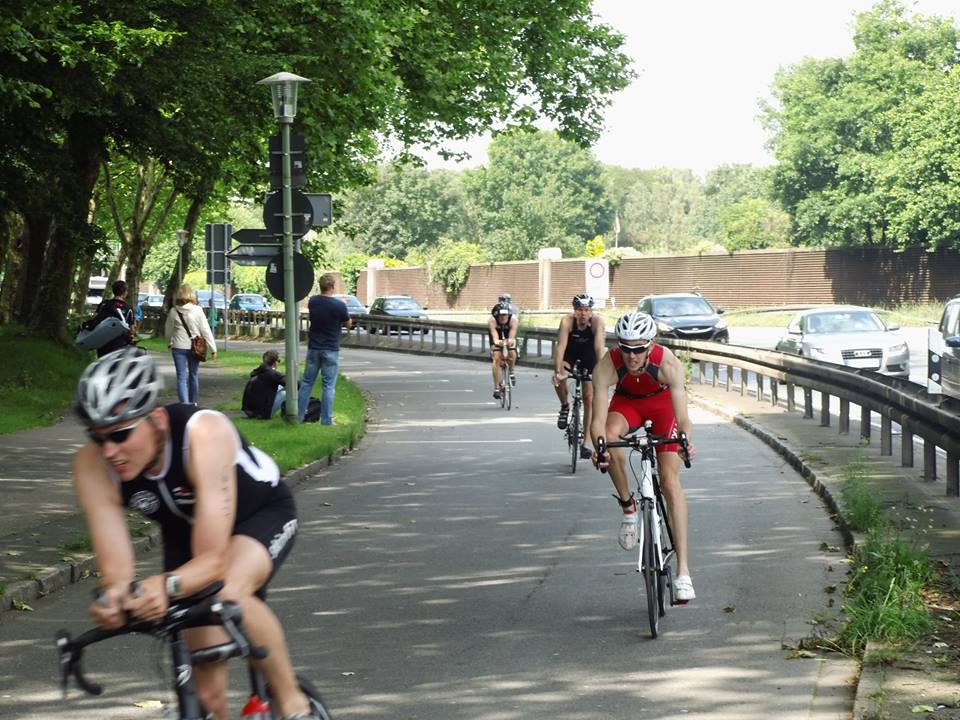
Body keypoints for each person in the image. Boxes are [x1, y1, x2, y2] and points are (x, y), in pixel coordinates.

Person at [71, 348, 319, 719]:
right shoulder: (91, 466)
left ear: (156, 419)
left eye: (121, 434)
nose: (109, 451)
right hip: (186, 538)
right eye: (97, 437)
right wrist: (114, 601)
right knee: (208, 697)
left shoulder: (202, 432)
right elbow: (116, 572)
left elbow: (213, 563)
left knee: (226, 593)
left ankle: (292, 702)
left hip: (260, 515)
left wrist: (166, 586)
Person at [590, 310, 697, 603]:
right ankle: (629, 507)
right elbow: (597, 421)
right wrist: (600, 447)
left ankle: (683, 572)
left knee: (670, 482)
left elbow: (684, 419)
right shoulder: (607, 365)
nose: (632, 356)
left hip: (662, 408)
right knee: (609, 438)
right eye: (626, 349)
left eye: (638, 349)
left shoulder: (668, 364)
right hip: (627, 404)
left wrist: (685, 441)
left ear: (651, 345)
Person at [552, 293, 606, 459]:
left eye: (586, 310)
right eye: (580, 310)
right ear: (574, 311)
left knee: (588, 397)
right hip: (571, 352)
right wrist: (557, 371)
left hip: (589, 354)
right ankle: (564, 406)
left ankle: (586, 443)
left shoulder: (597, 322)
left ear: (591, 311)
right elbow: (561, 346)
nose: (583, 313)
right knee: (560, 375)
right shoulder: (567, 321)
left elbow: (599, 347)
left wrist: (602, 372)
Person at [298, 273, 351, 424]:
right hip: (330, 348)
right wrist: (343, 309)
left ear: (320, 286)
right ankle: (326, 420)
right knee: (328, 386)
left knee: (307, 382)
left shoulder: (313, 301)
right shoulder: (339, 305)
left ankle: (299, 416)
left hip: (314, 347)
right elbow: (348, 324)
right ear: (333, 286)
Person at [164, 283, 217, 404]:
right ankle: (193, 403)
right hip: (195, 347)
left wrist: (169, 342)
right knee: (193, 375)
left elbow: (168, 330)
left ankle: (184, 404)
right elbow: (205, 330)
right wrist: (213, 347)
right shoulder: (198, 310)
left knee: (181, 377)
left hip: (178, 346)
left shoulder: (173, 311)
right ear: (192, 295)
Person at [85, 280, 137, 357]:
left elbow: (94, 319)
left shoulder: (104, 304)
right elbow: (131, 330)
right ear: (124, 292)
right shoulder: (128, 308)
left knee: (103, 361)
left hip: (103, 342)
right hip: (120, 344)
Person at [242, 350, 286, 419]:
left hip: (248, 410)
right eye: (279, 361)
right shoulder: (273, 374)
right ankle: (293, 414)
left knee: (280, 387)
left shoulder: (258, 371)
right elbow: (292, 384)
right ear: (275, 362)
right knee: (286, 393)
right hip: (261, 413)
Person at [487, 300, 518, 399]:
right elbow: (495, 339)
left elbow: (512, 337)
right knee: (496, 358)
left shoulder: (513, 320)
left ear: (509, 314)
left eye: (505, 315)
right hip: (497, 335)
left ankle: (511, 371)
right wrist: (498, 343)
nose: (503, 317)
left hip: (508, 334)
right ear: (497, 315)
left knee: (512, 350)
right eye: (501, 315)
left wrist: (509, 342)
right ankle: (497, 387)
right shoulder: (492, 321)